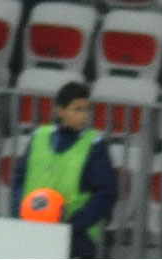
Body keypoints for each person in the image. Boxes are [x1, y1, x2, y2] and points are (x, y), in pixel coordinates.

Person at [9, 82, 118, 259]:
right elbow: (19, 179)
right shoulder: (39, 137)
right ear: (60, 111)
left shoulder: (94, 145)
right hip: (32, 230)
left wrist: (73, 226)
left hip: (77, 239)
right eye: (77, 110)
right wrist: (19, 211)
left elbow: (106, 193)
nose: (84, 116)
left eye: (86, 109)